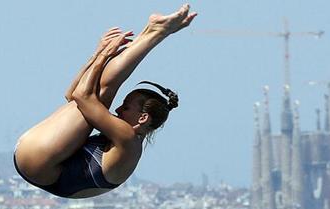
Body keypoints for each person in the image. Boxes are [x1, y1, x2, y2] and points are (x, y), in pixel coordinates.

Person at [13, 4, 197, 198]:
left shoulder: (127, 138)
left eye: (126, 107)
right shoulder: (127, 139)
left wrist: (104, 54)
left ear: (143, 118)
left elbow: (81, 96)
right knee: (99, 93)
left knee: (102, 93)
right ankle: (153, 31)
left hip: (38, 163)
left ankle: (156, 32)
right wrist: (97, 54)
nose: (118, 109)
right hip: (36, 163)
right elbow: (72, 96)